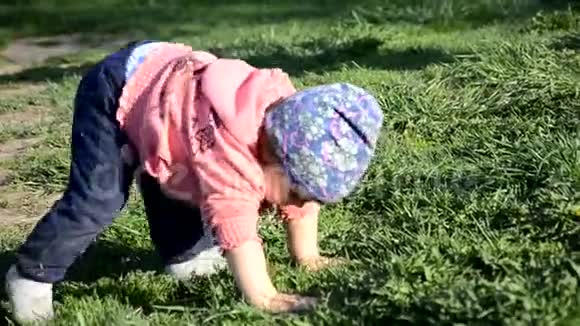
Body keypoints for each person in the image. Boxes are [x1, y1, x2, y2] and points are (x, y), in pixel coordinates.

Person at [4, 40, 384, 324]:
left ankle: (183, 254)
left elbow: (300, 195)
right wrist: (265, 296)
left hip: (170, 98)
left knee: (178, 175)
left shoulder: (293, 120)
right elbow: (236, 228)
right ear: (275, 155)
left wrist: (308, 257)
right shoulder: (232, 157)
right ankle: (32, 274)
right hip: (119, 88)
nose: (299, 202)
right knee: (98, 200)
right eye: (297, 190)